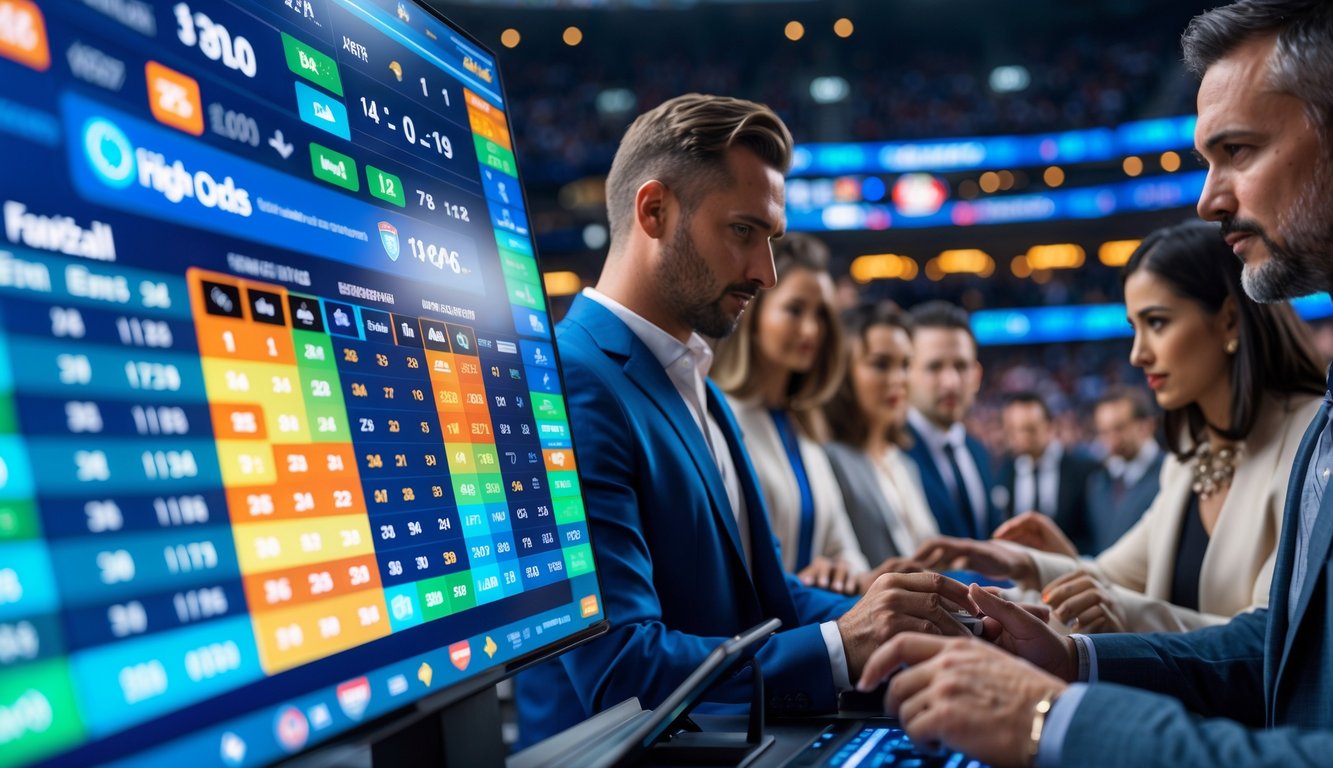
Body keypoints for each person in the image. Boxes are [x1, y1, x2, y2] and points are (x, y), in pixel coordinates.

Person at [860, 3, 1333, 764]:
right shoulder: (1239, 445)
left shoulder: (1303, 429)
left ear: (1225, 322)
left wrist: (1055, 717)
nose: (1209, 199)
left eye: (1237, 150)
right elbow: (1274, 647)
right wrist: (1062, 641)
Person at [513, 93, 976, 747]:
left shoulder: (694, 379)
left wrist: (904, 616)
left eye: (771, 239)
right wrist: (842, 642)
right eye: (743, 232)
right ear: (654, 211)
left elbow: (763, 598)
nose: (765, 271)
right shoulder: (570, 384)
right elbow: (618, 671)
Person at [921, 219, 1325, 633]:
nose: (1137, 355)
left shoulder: (1314, 441)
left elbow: (1273, 639)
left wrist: (1123, 612)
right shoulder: (1189, 457)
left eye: (1157, 323)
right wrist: (1017, 563)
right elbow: (1112, 577)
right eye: (1135, 328)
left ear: (1228, 321)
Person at [713, 233, 869, 594]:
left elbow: (845, 547)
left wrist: (842, 568)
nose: (811, 330)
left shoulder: (805, 427)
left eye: (822, 315)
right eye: (795, 309)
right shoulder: (720, 420)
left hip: (822, 624)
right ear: (752, 313)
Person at [824, 303, 939, 568]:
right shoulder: (828, 458)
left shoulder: (904, 462)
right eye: (881, 364)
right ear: (842, 370)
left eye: (906, 364)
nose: (898, 378)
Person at [904, 301, 1003, 539]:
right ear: (906, 373)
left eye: (961, 366)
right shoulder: (889, 453)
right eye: (934, 367)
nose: (951, 382)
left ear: (977, 375)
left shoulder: (978, 452)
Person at [993, 392, 1099, 552]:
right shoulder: (1005, 470)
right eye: (1014, 430)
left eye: (1029, 429)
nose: (1020, 437)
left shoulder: (1083, 470)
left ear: (1049, 427)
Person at [1081, 388, 1164, 555]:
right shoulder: (1097, 481)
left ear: (1146, 426)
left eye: (1119, 428)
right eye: (1104, 431)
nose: (1111, 439)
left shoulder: (1169, 475)